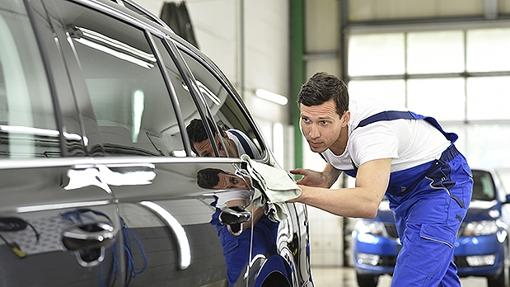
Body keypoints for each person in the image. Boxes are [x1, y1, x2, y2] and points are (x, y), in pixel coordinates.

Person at [290, 72, 473, 286]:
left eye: (323, 122)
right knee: (435, 273)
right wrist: (326, 177)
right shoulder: (326, 133)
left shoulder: (372, 134)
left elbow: (367, 203)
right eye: (306, 120)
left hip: (440, 184)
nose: (312, 133)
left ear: (345, 118)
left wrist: (298, 193)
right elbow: (345, 153)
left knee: (412, 279)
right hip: (405, 195)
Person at [196, 168, 278, 286]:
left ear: (230, 172)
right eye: (230, 187)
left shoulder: (252, 171)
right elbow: (241, 222)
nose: (240, 186)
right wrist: (261, 206)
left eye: (233, 181)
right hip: (237, 236)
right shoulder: (231, 195)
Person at [186, 119, 262, 159]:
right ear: (199, 157)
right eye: (207, 155)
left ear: (225, 135)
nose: (218, 157)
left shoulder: (245, 144)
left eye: (220, 146)